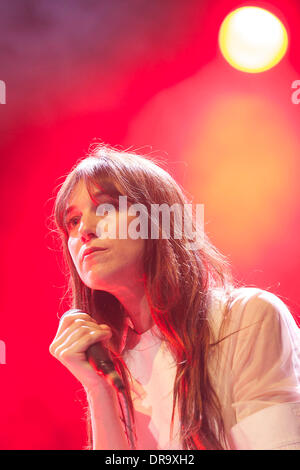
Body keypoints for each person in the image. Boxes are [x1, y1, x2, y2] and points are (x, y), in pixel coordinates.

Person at [49, 143, 300, 450]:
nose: (84, 230)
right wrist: (98, 390)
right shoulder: (114, 364)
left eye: (106, 208)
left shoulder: (247, 319)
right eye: (72, 221)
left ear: (158, 220)